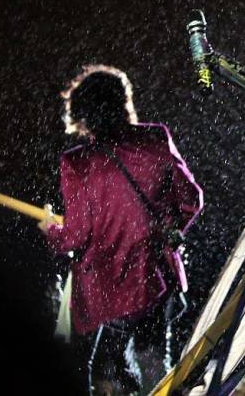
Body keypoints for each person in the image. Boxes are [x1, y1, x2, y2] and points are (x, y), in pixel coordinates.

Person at [38, 65, 204, 395]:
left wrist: (50, 229)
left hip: (112, 285)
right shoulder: (155, 138)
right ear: (122, 101)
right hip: (156, 276)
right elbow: (191, 199)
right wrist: (165, 231)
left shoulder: (78, 162)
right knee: (154, 359)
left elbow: (77, 234)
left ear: (80, 111)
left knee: (105, 369)